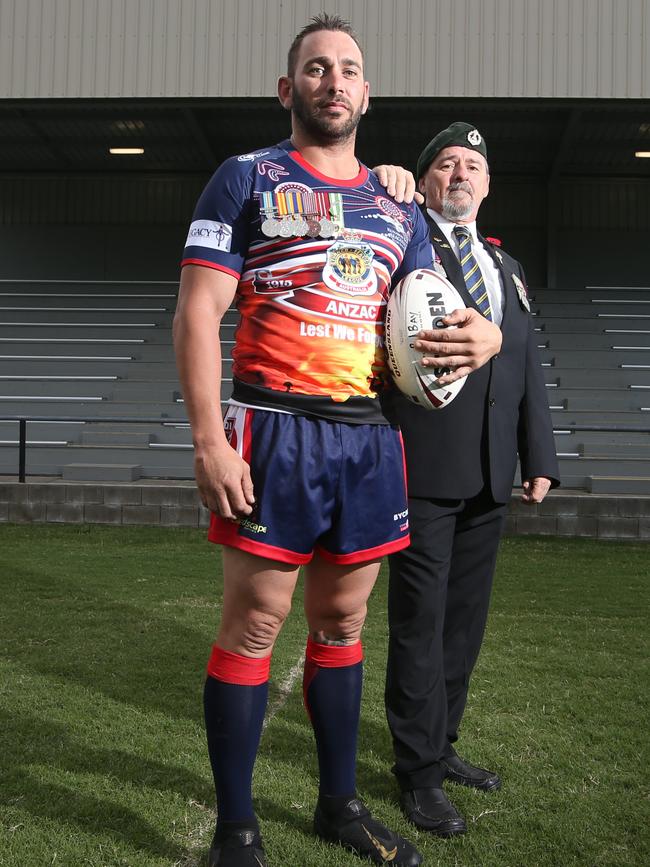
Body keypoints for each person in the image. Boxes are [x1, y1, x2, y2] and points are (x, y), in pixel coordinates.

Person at [173, 16, 502, 867]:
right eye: (315, 68)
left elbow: (451, 306)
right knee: (255, 621)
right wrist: (209, 440)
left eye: (348, 69)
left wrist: (489, 339)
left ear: (365, 94)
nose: (333, 81)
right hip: (272, 426)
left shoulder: (400, 203)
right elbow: (199, 312)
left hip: (367, 436)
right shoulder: (245, 178)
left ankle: (338, 805)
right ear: (290, 90)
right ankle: (237, 829)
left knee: (343, 620)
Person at [381, 122, 560, 837]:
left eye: (473, 165)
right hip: (422, 468)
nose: (460, 173)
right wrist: (384, 178)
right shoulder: (399, 240)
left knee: (464, 626)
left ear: (487, 185)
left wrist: (538, 454)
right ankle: (418, 774)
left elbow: (525, 367)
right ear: (425, 180)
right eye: (445, 164)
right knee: (420, 625)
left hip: (491, 473)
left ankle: (442, 744)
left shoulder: (505, 266)